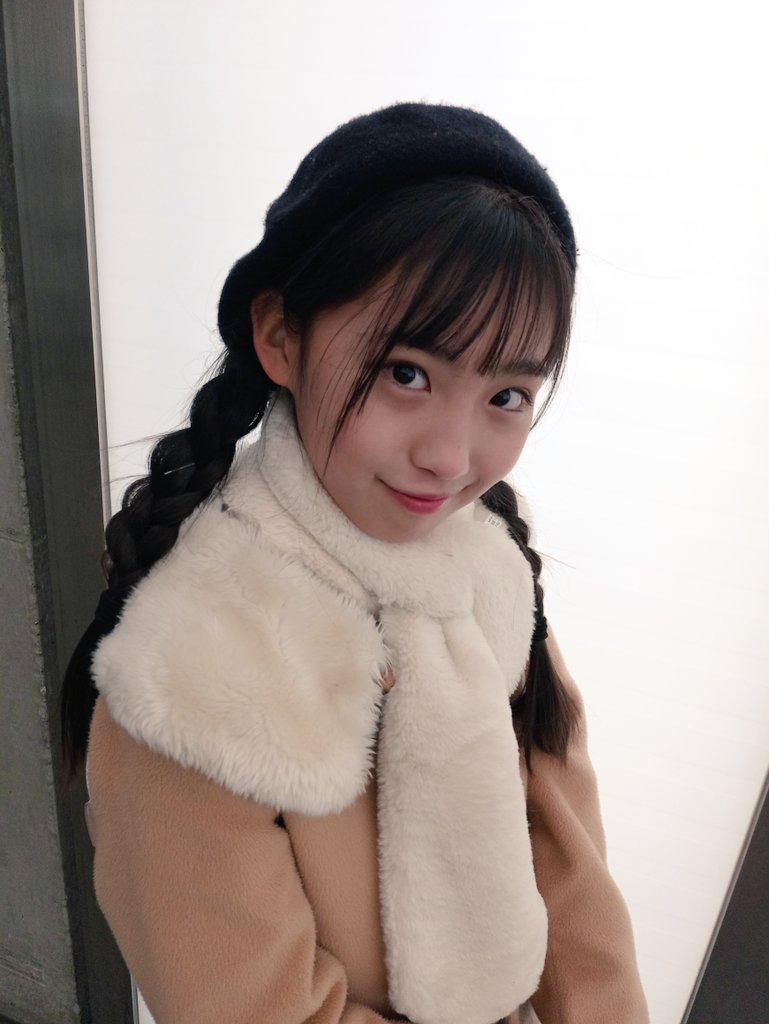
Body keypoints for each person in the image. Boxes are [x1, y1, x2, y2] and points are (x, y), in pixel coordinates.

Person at [62, 102, 649, 1024]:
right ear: (279, 336)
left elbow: (575, 889)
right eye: (407, 373)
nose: (450, 458)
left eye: (506, 394)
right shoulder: (187, 668)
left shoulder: (486, 570)